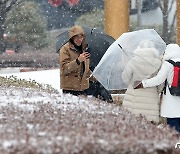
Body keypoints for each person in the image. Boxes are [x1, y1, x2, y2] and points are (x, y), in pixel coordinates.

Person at [138, 44, 180, 133]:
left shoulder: (168, 63)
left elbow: (159, 79)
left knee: (173, 129)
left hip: (171, 100)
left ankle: (175, 145)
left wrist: (143, 83)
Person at [121, 40, 163, 123]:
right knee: (149, 126)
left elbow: (125, 78)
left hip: (134, 95)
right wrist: (156, 91)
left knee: (132, 126)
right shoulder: (158, 62)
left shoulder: (133, 61)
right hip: (151, 97)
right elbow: (160, 82)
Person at [59, 25, 92, 96]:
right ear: (72, 38)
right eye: (77, 37)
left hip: (83, 88)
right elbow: (64, 69)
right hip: (70, 88)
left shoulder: (85, 49)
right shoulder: (65, 49)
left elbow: (86, 69)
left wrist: (97, 78)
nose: (80, 39)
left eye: (81, 37)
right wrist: (78, 60)